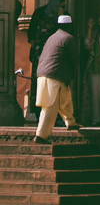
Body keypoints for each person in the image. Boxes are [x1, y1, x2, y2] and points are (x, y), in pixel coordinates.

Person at [34, 12, 78, 140]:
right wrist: (73, 75)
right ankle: (41, 136)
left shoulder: (52, 37)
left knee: (65, 98)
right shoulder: (68, 38)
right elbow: (74, 59)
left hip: (45, 74)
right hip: (55, 75)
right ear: (70, 26)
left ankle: (71, 122)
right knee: (50, 106)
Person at [26, 0, 66, 121]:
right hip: (40, 57)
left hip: (57, 59)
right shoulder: (39, 13)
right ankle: (39, 114)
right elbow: (31, 35)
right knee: (39, 85)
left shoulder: (65, 15)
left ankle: (58, 116)